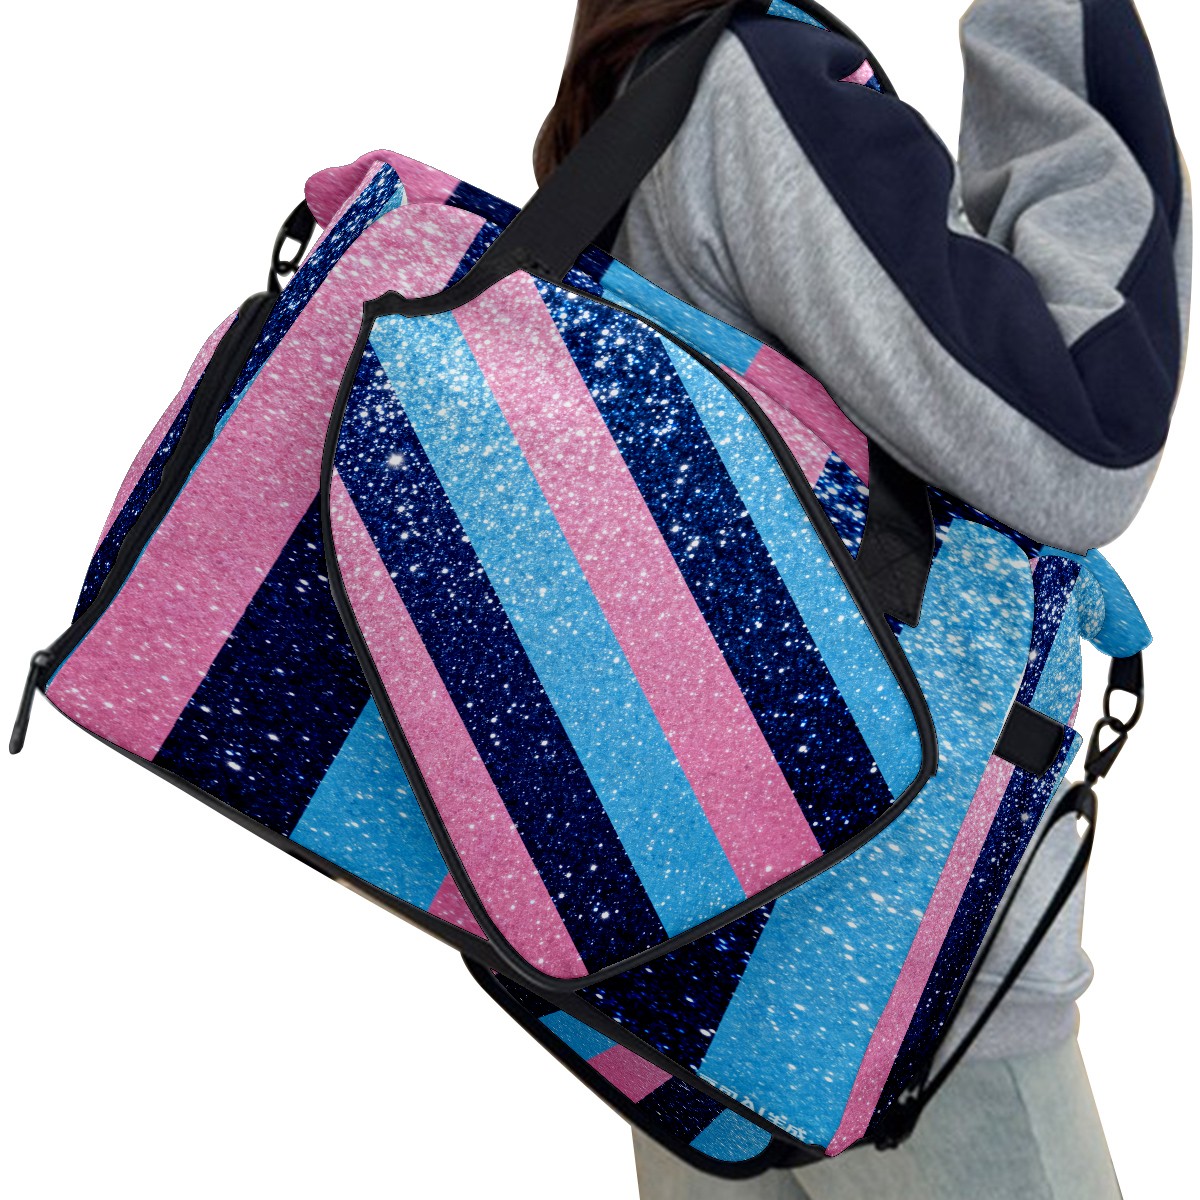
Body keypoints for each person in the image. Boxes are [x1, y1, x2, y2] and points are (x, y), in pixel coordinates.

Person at [533, 2, 1191, 1197]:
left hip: (677, 968)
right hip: (899, 979)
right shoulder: (759, 87)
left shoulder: (625, 123)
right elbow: (1085, 433)